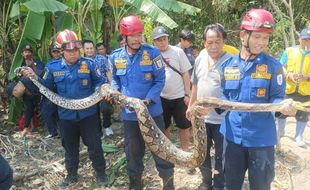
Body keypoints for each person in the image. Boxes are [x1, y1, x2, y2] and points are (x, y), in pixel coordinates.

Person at [219, 9, 297, 190]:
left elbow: (277, 98)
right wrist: (207, 108)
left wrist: (284, 106)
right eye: (257, 37)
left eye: (266, 38)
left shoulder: (273, 67)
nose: (261, 42)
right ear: (243, 36)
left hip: (261, 140)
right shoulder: (227, 66)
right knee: (231, 185)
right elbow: (223, 98)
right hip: (232, 138)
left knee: (260, 186)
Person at [21, 29, 108, 187]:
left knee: (95, 146)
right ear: (62, 51)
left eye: (76, 49)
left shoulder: (88, 64)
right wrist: (33, 76)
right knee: (70, 148)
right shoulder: (52, 67)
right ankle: (71, 175)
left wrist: (99, 88)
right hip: (66, 117)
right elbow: (45, 86)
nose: (74, 53)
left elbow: (100, 81)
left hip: (88, 115)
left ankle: (101, 174)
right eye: (69, 50)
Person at [109, 16, 174, 190]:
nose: (138, 38)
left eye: (140, 34)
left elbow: (160, 80)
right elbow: (115, 79)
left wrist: (148, 99)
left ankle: (169, 185)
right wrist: (115, 93)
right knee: (133, 153)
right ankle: (135, 185)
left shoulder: (152, 53)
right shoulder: (116, 57)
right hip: (130, 115)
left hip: (152, 112)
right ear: (125, 37)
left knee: (161, 150)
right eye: (133, 35)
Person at [187, 23, 232, 190]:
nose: (213, 46)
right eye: (209, 42)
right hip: (201, 119)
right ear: (204, 43)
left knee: (222, 155)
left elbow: (231, 94)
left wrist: (211, 107)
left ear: (224, 41)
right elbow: (195, 85)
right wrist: (190, 107)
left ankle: (220, 184)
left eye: (217, 41)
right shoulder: (200, 58)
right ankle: (206, 182)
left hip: (223, 119)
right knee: (202, 152)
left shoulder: (231, 62)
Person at [152, 26, 192, 153]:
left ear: (168, 39)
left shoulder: (178, 52)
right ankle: (169, 152)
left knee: (184, 126)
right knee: (164, 126)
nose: (162, 42)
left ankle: (185, 151)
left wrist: (187, 94)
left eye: (164, 39)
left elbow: (186, 73)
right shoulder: (152, 54)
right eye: (159, 40)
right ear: (154, 42)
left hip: (179, 96)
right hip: (161, 97)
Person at [277, 27, 310, 147]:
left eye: (309, 40)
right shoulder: (289, 51)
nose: (307, 42)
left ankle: (299, 136)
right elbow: (280, 65)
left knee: (303, 114)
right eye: (304, 39)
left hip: (306, 91)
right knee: (282, 111)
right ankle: (280, 131)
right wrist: (287, 74)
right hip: (289, 88)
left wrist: (307, 77)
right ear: (299, 38)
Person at [83, 40, 114, 136]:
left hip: (103, 88)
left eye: (91, 48)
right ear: (83, 50)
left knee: (106, 108)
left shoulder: (101, 58)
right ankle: (98, 131)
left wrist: (112, 86)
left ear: (94, 49)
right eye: (87, 49)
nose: (89, 50)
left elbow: (108, 72)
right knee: (93, 111)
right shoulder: (81, 61)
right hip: (90, 90)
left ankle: (107, 125)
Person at [20, 44, 44, 137]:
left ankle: (34, 125)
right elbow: (16, 77)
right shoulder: (21, 64)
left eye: (29, 52)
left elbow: (40, 74)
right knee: (28, 107)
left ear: (32, 54)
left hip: (37, 90)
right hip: (26, 91)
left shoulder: (37, 62)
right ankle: (27, 127)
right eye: (26, 52)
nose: (27, 54)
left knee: (37, 106)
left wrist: (32, 66)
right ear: (22, 54)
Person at [40, 44, 61, 139]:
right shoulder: (49, 65)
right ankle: (53, 132)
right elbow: (46, 80)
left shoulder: (67, 62)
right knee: (46, 111)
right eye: (54, 52)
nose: (56, 54)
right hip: (52, 92)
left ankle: (60, 132)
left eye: (58, 51)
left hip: (64, 92)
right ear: (51, 53)